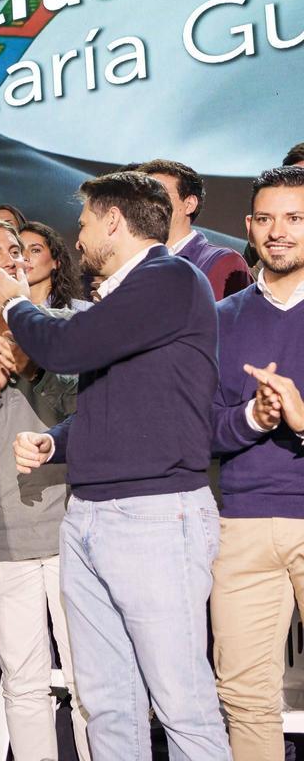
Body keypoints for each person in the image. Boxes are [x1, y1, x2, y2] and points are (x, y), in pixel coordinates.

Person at [0, 171, 229, 760]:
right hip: (92, 516)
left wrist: (14, 300)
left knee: (182, 704)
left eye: (85, 223)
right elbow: (124, 400)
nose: (79, 236)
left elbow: (64, 348)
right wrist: (59, 443)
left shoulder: (169, 278)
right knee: (107, 705)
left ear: (114, 223)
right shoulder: (128, 295)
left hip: (153, 517)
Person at [0, 220, 90, 760]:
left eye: (16, 250)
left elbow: (91, 414)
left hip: (72, 529)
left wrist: (36, 369)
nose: (10, 260)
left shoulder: (64, 327)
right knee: (24, 681)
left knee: (88, 680)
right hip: (3, 538)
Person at [209, 166, 304, 761]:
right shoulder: (221, 319)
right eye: (265, 219)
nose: (278, 231)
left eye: (294, 218)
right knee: (243, 697)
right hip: (240, 525)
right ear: (248, 226)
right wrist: (255, 420)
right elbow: (200, 430)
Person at [137, 159, 252, 300]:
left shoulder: (221, 261)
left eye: (157, 196)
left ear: (189, 204)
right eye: (140, 198)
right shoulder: (129, 261)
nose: (145, 204)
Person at [17, 221, 91, 312]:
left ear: (56, 262)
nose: (24, 257)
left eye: (35, 250)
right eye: (18, 251)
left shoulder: (83, 311)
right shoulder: (3, 312)